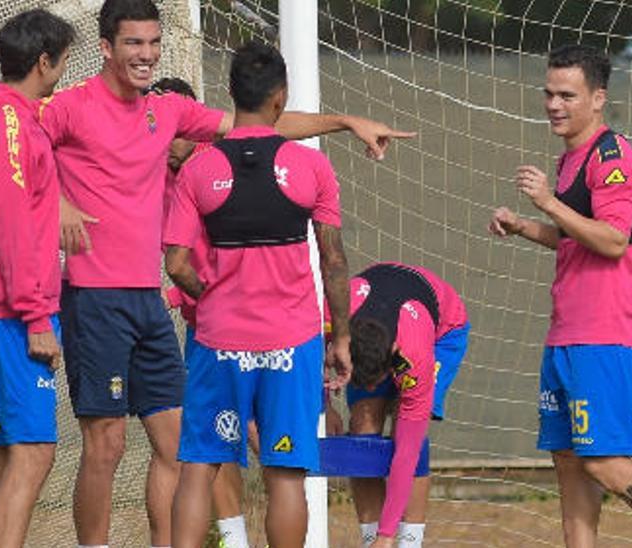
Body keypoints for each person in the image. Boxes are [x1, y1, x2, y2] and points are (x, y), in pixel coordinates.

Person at [36, 2, 411, 545]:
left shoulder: (164, 111)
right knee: (108, 444)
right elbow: (12, 141)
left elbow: (256, 124)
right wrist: (59, 203)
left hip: (151, 300)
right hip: (95, 294)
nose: (145, 55)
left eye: (152, 43)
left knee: (179, 450)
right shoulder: (69, 107)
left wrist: (346, 121)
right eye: (132, 44)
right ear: (104, 48)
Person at [487, 44, 632, 548]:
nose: (554, 104)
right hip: (565, 336)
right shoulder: (570, 160)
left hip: (605, 337)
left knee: (604, 461)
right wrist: (525, 225)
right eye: (549, 93)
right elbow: (576, 238)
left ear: (598, 98)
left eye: (567, 94)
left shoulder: (613, 157)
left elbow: (612, 240)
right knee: (569, 470)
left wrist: (544, 201)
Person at [162, 41, 352, 548]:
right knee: (285, 473)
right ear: (280, 98)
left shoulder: (199, 169)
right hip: (292, 340)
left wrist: (209, 299)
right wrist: (343, 339)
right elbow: (334, 261)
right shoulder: (311, 168)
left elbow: (176, 263)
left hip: (219, 339)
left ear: (230, 94)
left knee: (199, 466)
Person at [0, 9, 75, 548]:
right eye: (64, 61)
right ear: (44, 61)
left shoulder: (0, 114)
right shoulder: (6, 120)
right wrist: (35, 316)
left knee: (2, 454)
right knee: (33, 451)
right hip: (11, 312)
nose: (64, 72)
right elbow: (11, 224)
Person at [151, 76, 252, 548]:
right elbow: (177, 264)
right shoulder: (151, 177)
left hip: (244, 323)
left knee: (252, 433)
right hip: (199, 328)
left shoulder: (222, 171)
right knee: (194, 443)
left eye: (179, 128)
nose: (169, 141)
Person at [339, 262, 470, 548]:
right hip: (374, 313)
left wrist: (390, 535)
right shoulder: (332, 319)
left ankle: (408, 543)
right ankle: (370, 540)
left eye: (378, 380)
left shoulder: (414, 356)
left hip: (441, 333)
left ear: (394, 357)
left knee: (407, 432)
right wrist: (324, 406)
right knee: (362, 427)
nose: (374, 389)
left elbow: (407, 453)